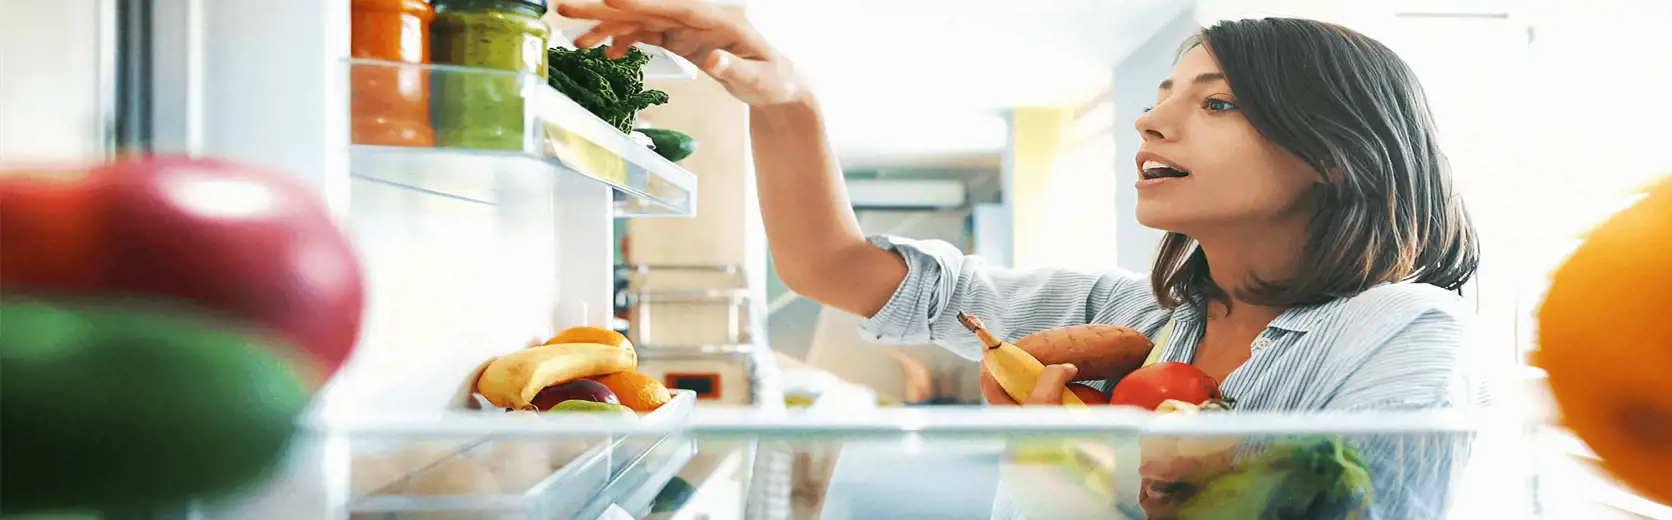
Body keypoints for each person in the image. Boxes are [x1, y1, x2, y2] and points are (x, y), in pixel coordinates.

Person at [559, 1, 1487, 518]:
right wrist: (786, 100)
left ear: (1334, 150)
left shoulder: (1404, 333)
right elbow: (833, 266)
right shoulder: (1132, 316)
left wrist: (1073, 455)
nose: (1151, 118)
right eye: (1162, 93)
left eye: (1216, 103)